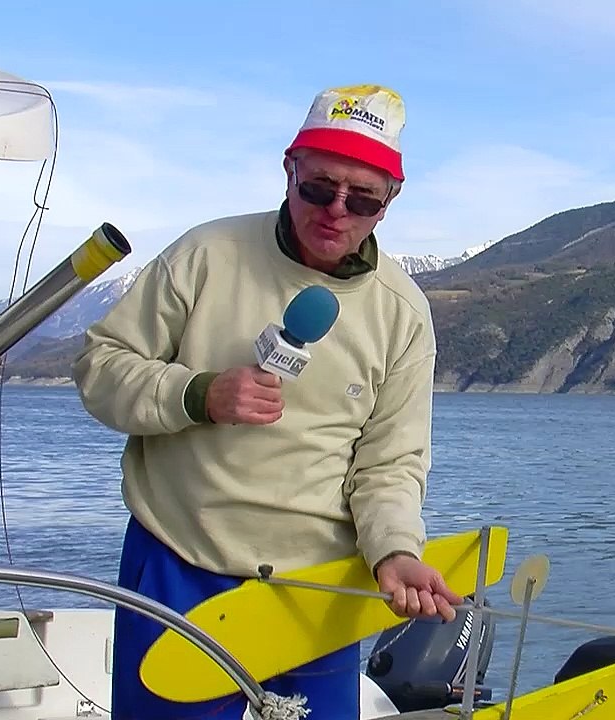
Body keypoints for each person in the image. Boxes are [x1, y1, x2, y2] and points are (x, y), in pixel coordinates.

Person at [72, 84, 462, 719]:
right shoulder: (206, 256)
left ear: (389, 201)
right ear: (289, 170)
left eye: (362, 198)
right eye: (320, 188)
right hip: (180, 560)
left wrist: (394, 551)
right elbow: (100, 367)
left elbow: (391, 464)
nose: (337, 211)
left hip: (318, 589)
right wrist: (196, 394)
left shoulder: (403, 314)